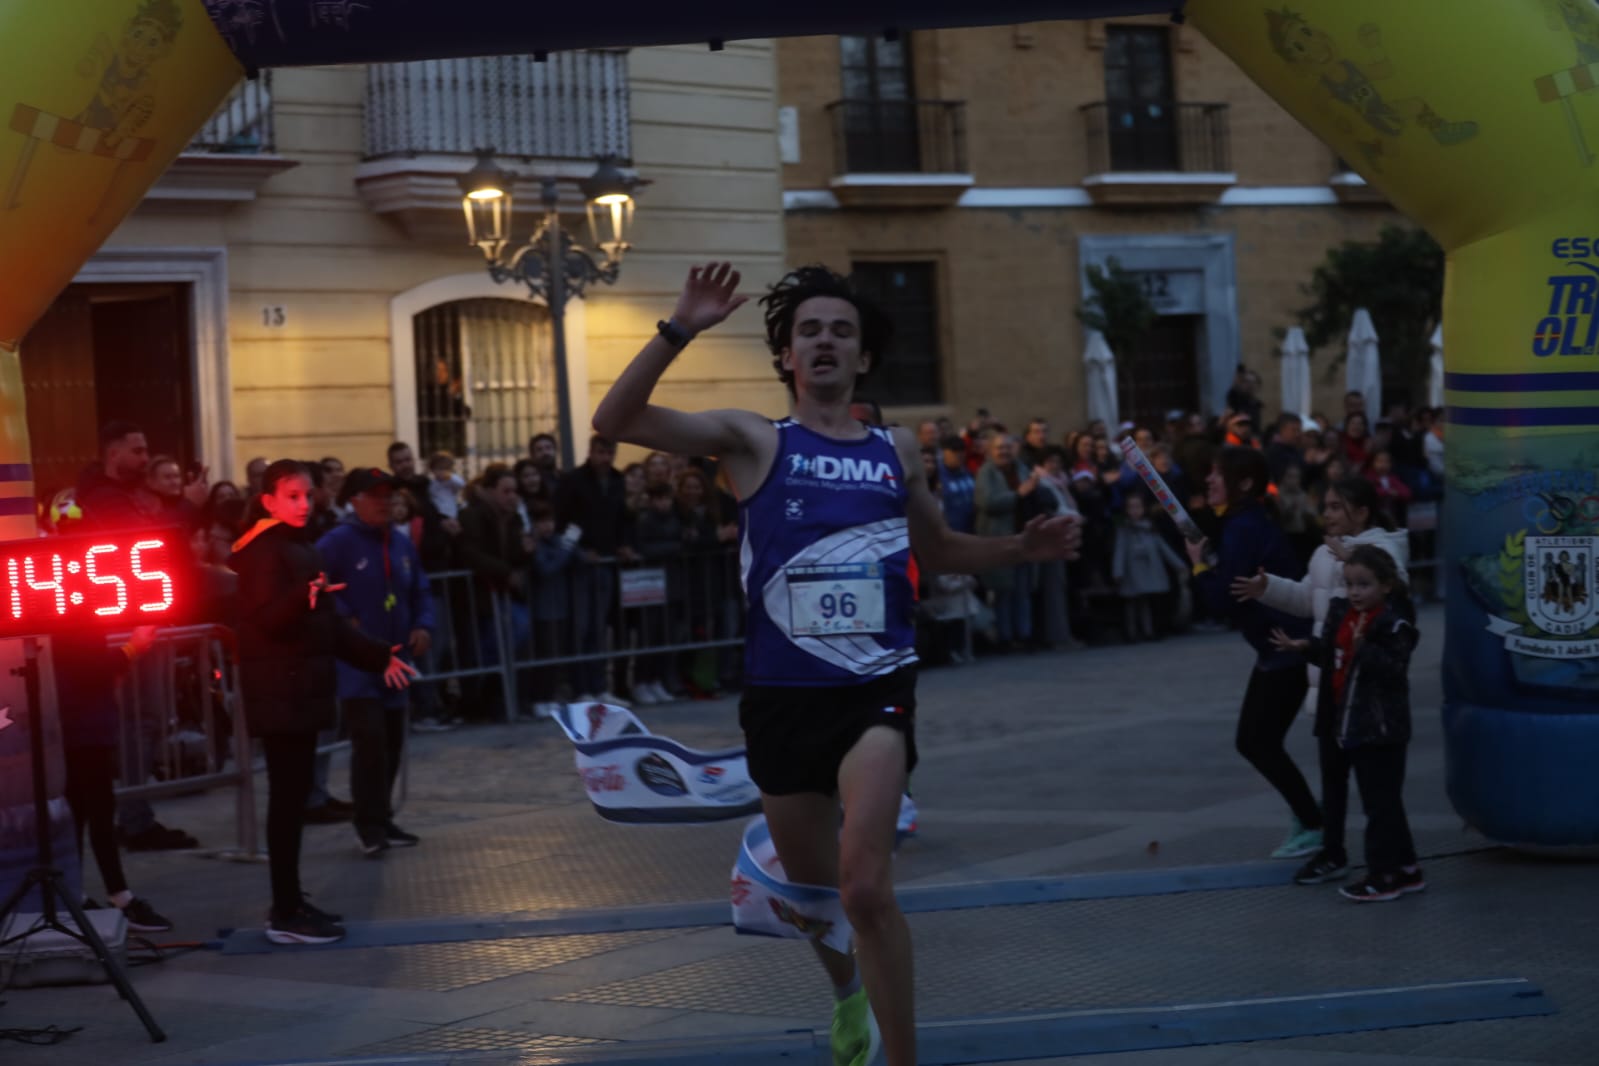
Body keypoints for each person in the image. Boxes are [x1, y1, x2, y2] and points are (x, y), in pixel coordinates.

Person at [591, 261, 1080, 1066]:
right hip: (781, 698)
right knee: (816, 899)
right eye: (809, 330)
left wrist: (1019, 550)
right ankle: (848, 991)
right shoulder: (753, 439)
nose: (824, 341)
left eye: (841, 331)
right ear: (787, 356)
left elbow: (935, 548)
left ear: (863, 358)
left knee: (864, 889)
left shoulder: (895, 450)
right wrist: (679, 328)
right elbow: (616, 419)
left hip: (874, 691)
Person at [230, 460, 416, 943]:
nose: (303, 504)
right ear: (268, 501)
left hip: (302, 689)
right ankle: (285, 910)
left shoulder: (301, 547)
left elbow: (329, 625)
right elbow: (265, 620)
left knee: (292, 800)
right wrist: (302, 597)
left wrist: (379, 656)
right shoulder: (261, 551)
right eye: (292, 496)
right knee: (286, 800)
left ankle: (291, 900)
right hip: (281, 691)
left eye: (307, 495)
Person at [1189, 447, 1322, 860]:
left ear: (1244, 483)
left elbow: (1223, 600)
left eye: (1218, 474)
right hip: (1279, 647)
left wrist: (1199, 567)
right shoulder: (1243, 522)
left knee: (1256, 741)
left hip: (1287, 647)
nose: (1209, 480)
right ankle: (1309, 818)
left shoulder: (1244, 526)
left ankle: (1313, 823)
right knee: (1257, 740)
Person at [1270, 544, 1423, 901]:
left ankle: (1383, 876)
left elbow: (1394, 669)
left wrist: (1363, 648)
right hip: (1350, 721)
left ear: (1386, 585)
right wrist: (1304, 647)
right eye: (1350, 584)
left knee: (1380, 804)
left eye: (1364, 584)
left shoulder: (1392, 622)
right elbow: (1333, 653)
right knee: (1383, 802)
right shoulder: (1346, 614)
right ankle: (1407, 869)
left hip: (1381, 729)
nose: (1355, 592)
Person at [317, 468, 434, 858]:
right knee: (369, 741)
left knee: (393, 740)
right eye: (376, 495)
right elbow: (317, 584)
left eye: (389, 495)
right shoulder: (338, 541)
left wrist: (423, 624)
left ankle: (382, 817)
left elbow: (421, 588)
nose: (385, 502)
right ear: (355, 500)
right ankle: (367, 824)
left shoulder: (399, 542)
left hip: (396, 659)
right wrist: (344, 619)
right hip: (358, 664)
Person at [57, 622, 174, 932]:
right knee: (97, 811)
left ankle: (75, 895)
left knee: (78, 812)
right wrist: (132, 649)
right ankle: (118, 897)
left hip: (76, 723)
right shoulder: (70, 617)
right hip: (83, 724)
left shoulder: (63, 614)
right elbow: (89, 667)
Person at [1111, 491, 1187, 642]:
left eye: (1138, 507)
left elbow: (1163, 547)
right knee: (1133, 603)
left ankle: (1148, 631)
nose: (1135, 511)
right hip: (1132, 571)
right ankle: (1132, 632)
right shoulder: (1124, 529)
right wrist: (1117, 571)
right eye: (1131, 507)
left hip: (1149, 569)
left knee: (1146, 602)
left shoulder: (1150, 527)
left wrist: (1179, 564)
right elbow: (1120, 550)